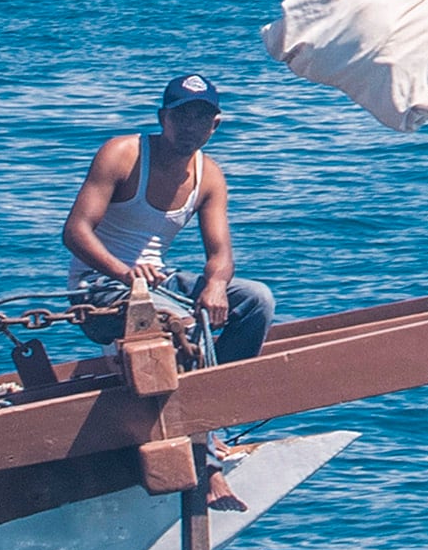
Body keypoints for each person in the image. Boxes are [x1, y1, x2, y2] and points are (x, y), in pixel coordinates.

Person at [65, 72, 273, 364]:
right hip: (99, 287)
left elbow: (221, 254)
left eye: (201, 118)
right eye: (181, 116)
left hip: (158, 283)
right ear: (163, 118)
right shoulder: (123, 154)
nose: (190, 126)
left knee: (257, 299)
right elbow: (76, 231)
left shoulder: (210, 176)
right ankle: (197, 390)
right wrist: (126, 274)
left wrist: (215, 284)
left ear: (215, 125)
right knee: (181, 322)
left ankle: (223, 386)